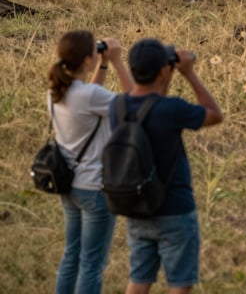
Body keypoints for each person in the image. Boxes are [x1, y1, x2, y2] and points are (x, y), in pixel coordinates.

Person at [113, 38, 223, 294]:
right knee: (179, 282)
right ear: (164, 71)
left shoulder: (116, 107)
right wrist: (189, 73)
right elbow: (214, 114)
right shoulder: (171, 109)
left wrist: (165, 74)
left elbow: (142, 100)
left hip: (136, 205)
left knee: (139, 279)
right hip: (174, 207)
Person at [48, 29, 133, 294]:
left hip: (70, 185)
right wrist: (118, 61)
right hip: (95, 189)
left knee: (71, 255)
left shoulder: (56, 92)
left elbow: (90, 93)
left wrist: (104, 64)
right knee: (92, 264)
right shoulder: (89, 97)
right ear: (87, 60)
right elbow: (133, 103)